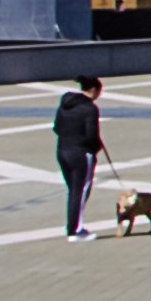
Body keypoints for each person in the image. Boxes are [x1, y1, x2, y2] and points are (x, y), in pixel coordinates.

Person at [54, 75, 105, 239]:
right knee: (80, 191)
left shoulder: (65, 104)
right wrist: (96, 148)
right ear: (94, 90)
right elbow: (91, 135)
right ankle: (75, 230)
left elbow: (56, 128)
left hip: (62, 150)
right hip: (81, 153)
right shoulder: (90, 109)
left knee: (73, 191)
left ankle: (73, 227)